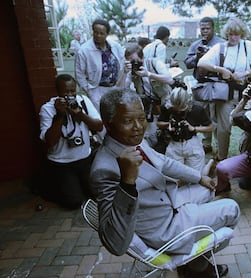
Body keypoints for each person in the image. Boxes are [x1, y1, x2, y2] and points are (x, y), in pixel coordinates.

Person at [89, 89, 239, 277]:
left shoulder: (131, 140)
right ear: (108, 125)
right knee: (232, 209)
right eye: (128, 121)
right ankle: (197, 266)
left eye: (142, 118)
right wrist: (127, 183)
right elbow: (115, 243)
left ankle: (193, 260)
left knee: (207, 189)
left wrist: (199, 177)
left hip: (168, 203)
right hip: (163, 229)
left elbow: (164, 162)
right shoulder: (104, 168)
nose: (138, 127)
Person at [197, 17, 251, 161]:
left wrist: (245, 73)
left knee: (250, 124)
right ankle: (222, 158)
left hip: (245, 92)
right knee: (224, 127)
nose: (233, 37)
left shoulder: (248, 46)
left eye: (236, 34)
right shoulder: (220, 47)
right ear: (226, 34)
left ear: (241, 34)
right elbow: (201, 63)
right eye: (230, 34)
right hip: (225, 93)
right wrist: (220, 69)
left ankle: (249, 155)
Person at [38, 74, 103, 209]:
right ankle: (50, 186)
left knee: (96, 194)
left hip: (84, 158)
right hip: (62, 162)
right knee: (73, 202)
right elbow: (49, 141)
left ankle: (76, 185)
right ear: (57, 92)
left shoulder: (82, 101)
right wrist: (60, 115)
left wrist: (79, 113)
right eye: (65, 92)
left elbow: (98, 126)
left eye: (73, 91)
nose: (70, 95)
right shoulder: (47, 109)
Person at [184, 17, 225, 153]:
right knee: (202, 115)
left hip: (216, 84)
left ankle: (219, 146)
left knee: (217, 117)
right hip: (201, 85)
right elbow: (187, 63)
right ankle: (206, 144)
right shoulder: (196, 45)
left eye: (207, 28)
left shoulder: (221, 44)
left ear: (213, 28)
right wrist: (197, 57)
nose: (205, 31)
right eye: (202, 29)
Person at [122, 43, 174, 147]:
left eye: (135, 61)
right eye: (130, 62)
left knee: (168, 134)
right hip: (149, 108)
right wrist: (125, 73)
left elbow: (169, 79)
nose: (134, 64)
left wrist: (149, 74)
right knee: (151, 136)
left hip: (165, 104)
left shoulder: (154, 63)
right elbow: (121, 89)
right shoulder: (131, 72)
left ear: (143, 57)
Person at [157, 87, 212, 172]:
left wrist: (194, 129)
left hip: (191, 142)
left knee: (196, 175)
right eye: (175, 109)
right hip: (174, 143)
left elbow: (210, 128)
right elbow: (159, 123)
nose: (178, 112)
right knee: (174, 176)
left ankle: (209, 165)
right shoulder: (166, 107)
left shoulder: (197, 109)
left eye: (182, 109)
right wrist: (169, 124)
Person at [75, 19, 125, 110]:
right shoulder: (84, 50)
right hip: (96, 89)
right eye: (95, 32)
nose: (98, 35)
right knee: (100, 117)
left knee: (115, 115)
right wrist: (89, 91)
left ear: (107, 34)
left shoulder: (115, 46)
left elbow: (122, 62)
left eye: (101, 33)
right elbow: (79, 73)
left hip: (114, 88)